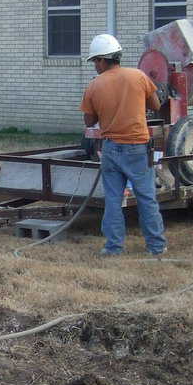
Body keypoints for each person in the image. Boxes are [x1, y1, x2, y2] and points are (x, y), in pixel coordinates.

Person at [80, 34, 168, 257]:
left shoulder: (94, 85)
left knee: (112, 199)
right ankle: (156, 247)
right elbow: (156, 104)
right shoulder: (138, 76)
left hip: (110, 148)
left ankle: (113, 248)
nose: (95, 66)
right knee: (146, 198)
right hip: (138, 147)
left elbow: (89, 122)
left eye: (95, 62)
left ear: (102, 60)